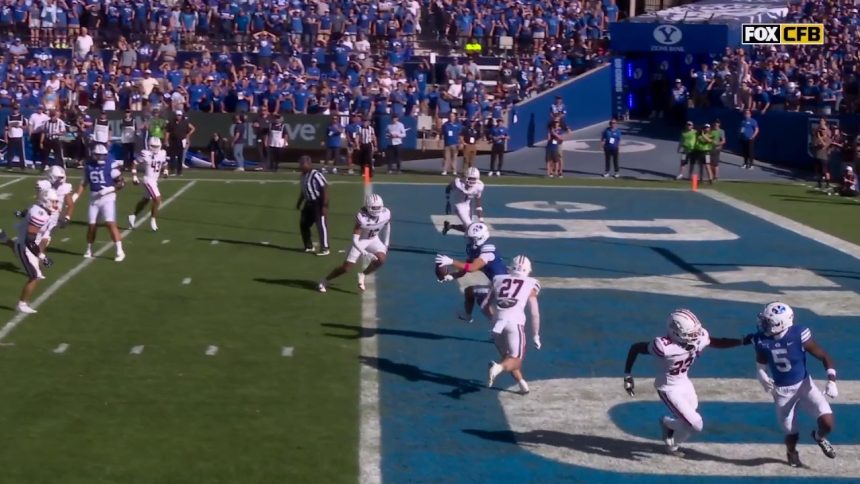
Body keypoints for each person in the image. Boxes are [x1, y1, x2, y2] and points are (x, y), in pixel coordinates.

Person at [623, 309, 751, 456]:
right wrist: (628, 375)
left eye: (696, 332)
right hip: (668, 388)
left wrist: (740, 341)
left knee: (689, 416)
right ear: (675, 332)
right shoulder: (663, 347)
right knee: (696, 424)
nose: (696, 336)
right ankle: (671, 445)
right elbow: (636, 348)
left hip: (684, 382)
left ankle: (667, 424)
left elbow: (717, 342)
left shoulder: (698, 337)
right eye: (691, 333)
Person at [752, 302, 839, 467]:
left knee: (828, 423)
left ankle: (819, 437)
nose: (764, 324)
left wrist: (832, 380)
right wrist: (761, 374)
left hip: (805, 385)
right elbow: (761, 364)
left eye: (769, 322)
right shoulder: (761, 340)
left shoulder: (799, 334)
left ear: (782, 323)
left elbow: (824, 356)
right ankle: (791, 452)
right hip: (782, 392)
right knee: (791, 433)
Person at [485, 255, 542, 395]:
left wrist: (496, 319)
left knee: (508, 357)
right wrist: (535, 335)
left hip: (497, 323)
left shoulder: (498, 279)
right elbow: (534, 313)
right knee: (516, 360)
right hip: (514, 323)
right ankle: (497, 368)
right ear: (528, 270)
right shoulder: (531, 283)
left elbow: (485, 304)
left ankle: (522, 384)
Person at [435, 222, 508, 323]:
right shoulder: (478, 247)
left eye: (472, 238)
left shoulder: (487, 250)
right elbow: (468, 264)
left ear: (480, 238)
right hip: (498, 283)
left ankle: (498, 326)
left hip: (502, 286)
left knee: (483, 302)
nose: (469, 239)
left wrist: (451, 261)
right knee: (470, 291)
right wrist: (452, 276)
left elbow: (472, 268)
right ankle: (467, 315)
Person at [318, 193, 391, 293]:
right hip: (361, 241)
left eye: (378, 207)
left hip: (374, 239)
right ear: (368, 206)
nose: (377, 210)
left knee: (381, 260)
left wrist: (386, 243)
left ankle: (363, 275)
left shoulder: (386, 213)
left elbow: (387, 225)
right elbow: (355, 240)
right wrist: (364, 252)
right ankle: (324, 280)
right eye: (374, 207)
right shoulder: (362, 217)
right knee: (346, 268)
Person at [73, 143, 126, 262]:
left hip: (108, 198)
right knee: (91, 225)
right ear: (94, 155)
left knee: (110, 223)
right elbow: (83, 183)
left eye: (103, 155)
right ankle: (89, 248)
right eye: (98, 155)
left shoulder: (110, 165)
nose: (101, 158)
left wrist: (109, 189)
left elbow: (122, 183)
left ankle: (119, 250)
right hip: (94, 198)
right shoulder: (89, 166)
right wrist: (76, 195)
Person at [11, 188, 59, 314]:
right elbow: (30, 241)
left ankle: (23, 303)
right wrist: (43, 257)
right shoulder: (39, 215)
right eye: (53, 202)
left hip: (29, 245)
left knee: (36, 276)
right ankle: (22, 304)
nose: (55, 205)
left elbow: (29, 210)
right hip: (25, 247)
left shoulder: (39, 208)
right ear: (46, 201)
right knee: (35, 276)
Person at [128, 137, 167, 232]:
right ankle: (153, 220)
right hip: (148, 180)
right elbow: (134, 163)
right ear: (149, 145)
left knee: (145, 200)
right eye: (153, 146)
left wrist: (165, 170)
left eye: (156, 146)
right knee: (157, 199)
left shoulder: (162, 153)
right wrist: (134, 176)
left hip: (154, 180)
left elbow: (165, 162)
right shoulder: (145, 154)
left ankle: (132, 216)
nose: (155, 148)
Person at [33, 166, 75, 252]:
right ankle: (37, 256)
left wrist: (67, 218)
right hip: (41, 215)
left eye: (61, 178)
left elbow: (70, 204)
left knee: (42, 240)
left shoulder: (66, 187)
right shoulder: (43, 185)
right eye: (58, 177)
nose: (60, 180)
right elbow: (38, 201)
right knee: (36, 240)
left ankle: (37, 256)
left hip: (53, 218)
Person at [297, 155, 330, 255]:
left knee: (321, 225)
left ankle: (325, 248)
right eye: (300, 164)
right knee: (303, 224)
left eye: (303, 164)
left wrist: (324, 205)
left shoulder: (315, 174)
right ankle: (308, 246)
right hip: (308, 203)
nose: (301, 166)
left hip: (318, 203)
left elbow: (325, 188)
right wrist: (299, 202)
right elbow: (304, 191)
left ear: (309, 164)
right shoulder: (303, 176)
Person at [442, 167, 484, 235]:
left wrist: (481, 219)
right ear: (466, 177)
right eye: (470, 178)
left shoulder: (479, 186)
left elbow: (478, 203)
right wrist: (448, 201)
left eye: (474, 178)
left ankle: (449, 226)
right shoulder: (458, 183)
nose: (472, 180)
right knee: (471, 228)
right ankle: (472, 245)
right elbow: (448, 187)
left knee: (466, 228)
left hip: (468, 204)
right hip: (458, 205)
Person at [165, 110, 195, 176]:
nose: (178, 116)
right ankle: (172, 171)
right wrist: (166, 140)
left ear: (181, 116)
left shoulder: (185, 122)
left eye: (180, 115)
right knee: (172, 156)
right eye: (177, 115)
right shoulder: (171, 122)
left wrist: (187, 136)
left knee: (180, 157)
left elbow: (191, 129)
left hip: (181, 141)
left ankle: (179, 171)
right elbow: (168, 132)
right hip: (173, 141)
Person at [5, 104, 27, 169]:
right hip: (11, 136)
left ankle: (22, 166)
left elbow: (25, 127)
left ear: (18, 110)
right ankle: (9, 165)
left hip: (19, 137)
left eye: (16, 109)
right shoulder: (8, 117)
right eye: (14, 109)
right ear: (12, 109)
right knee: (10, 152)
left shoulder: (22, 117)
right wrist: (6, 137)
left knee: (21, 152)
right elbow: (6, 128)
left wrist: (19, 126)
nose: (15, 110)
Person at [812, 118, 832, 191]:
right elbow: (814, 143)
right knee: (818, 171)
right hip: (817, 154)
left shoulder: (828, 134)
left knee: (825, 171)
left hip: (824, 156)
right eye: (820, 121)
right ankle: (819, 184)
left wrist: (820, 137)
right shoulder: (817, 132)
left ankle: (827, 184)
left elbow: (824, 145)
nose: (820, 122)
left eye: (822, 121)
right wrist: (818, 138)